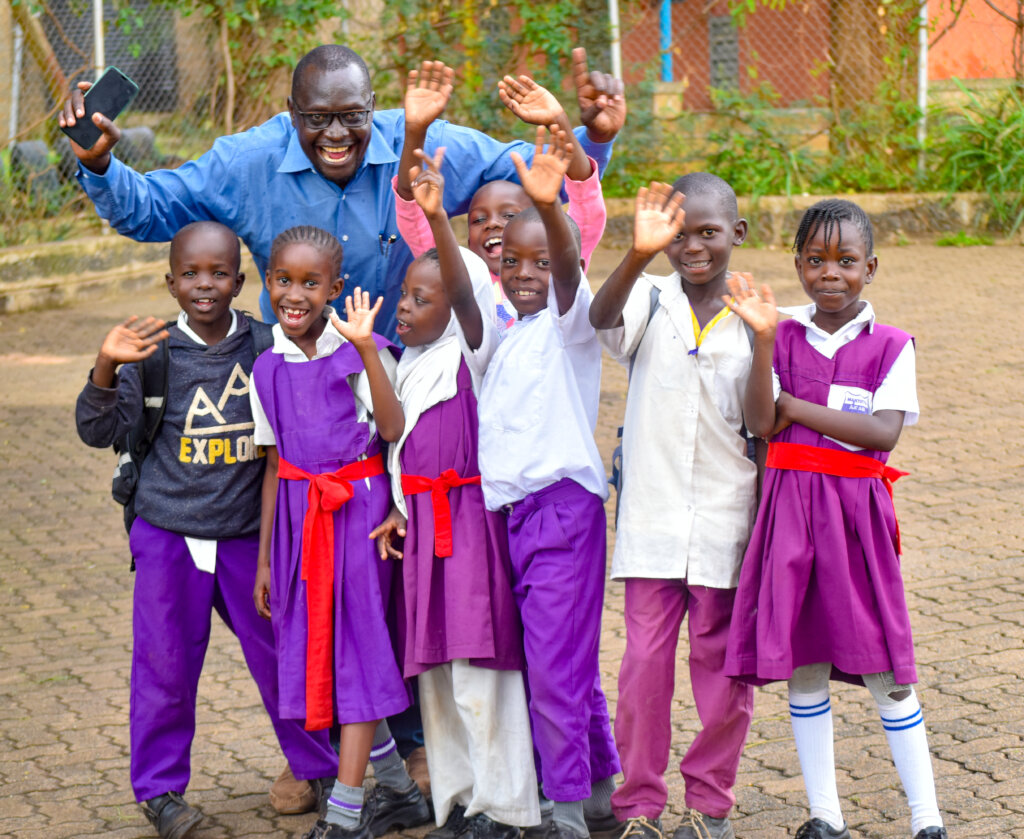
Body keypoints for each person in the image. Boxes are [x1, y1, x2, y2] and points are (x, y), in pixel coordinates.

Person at [58, 45, 626, 342]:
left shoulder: (420, 141)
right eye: (317, 118)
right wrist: (101, 162)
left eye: (352, 116)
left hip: (412, 368)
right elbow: (151, 210)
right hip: (299, 370)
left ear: (373, 107)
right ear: (290, 112)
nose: (336, 135)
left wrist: (593, 135)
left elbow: (536, 173)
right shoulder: (245, 162)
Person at [74, 221, 339, 839]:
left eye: (219, 273)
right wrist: (105, 367)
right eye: (190, 273)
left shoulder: (267, 343)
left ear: (241, 282)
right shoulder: (153, 352)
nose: (205, 284)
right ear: (170, 283)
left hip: (251, 537)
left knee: (285, 659)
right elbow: (95, 431)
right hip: (169, 535)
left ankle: (323, 773)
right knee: (164, 668)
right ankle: (162, 794)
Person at [722, 199, 946, 839]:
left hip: (856, 523)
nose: (830, 274)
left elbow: (881, 432)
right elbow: (761, 424)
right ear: (797, 265)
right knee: (804, 661)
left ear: (869, 268)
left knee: (885, 665)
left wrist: (798, 403)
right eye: (815, 261)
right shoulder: (776, 330)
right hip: (788, 515)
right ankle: (826, 816)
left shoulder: (892, 346)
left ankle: (926, 820)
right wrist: (764, 342)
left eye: (846, 262)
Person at [439, 124, 620, 839]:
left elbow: (571, 265)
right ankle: (601, 790)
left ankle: (566, 810)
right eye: (512, 261)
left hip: (566, 512)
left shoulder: (571, 325)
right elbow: (459, 286)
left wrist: (550, 208)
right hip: (511, 517)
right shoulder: (493, 333)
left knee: (551, 665)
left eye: (538, 262)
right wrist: (440, 221)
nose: (525, 272)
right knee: (567, 657)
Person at [369, 146, 540, 839]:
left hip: (468, 528)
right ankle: (460, 798)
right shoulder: (409, 362)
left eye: (419, 298)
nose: (403, 308)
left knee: (480, 673)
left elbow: (467, 288)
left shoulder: (478, 344)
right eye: (404, 295)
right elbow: (398, 446)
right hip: (424, 532)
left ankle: (505, 804)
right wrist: (396, 506)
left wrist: (438, 215)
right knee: (436, 675)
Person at [588, 174, 758, 839]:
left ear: (736, 235)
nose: (693, 247)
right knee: (643, 671)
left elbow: (765, 422)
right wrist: (636, 252)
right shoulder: (649, 298)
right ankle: (639, 805)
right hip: (653, 520)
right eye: (681, 234)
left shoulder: (756, 316)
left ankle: (710, 803)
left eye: (708, 233)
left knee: (721, 675)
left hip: (725, 520)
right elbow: (602, 320)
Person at [248, 225, 428, 839]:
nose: (294, 294)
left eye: (310, 283)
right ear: (268, 281)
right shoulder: (266, 364)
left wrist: (368, 352)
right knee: (325, 649)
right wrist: (270, 560)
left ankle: (347, 811)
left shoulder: (362, 349)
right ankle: (401, 791)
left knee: (356, 650)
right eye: (283, 280)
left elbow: (393, 424)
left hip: (358, 514)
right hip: (301, 521)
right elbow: (274, 464)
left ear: (335, 287)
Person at [392, 63, 606, 327]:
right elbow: (413, 218)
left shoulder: (557, 273)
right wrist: (415, 132)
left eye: (509, 215)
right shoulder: (463, 280)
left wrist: (557, 121)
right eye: (478, 220)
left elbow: (587, 210)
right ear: (468, 244)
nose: (492, 223)